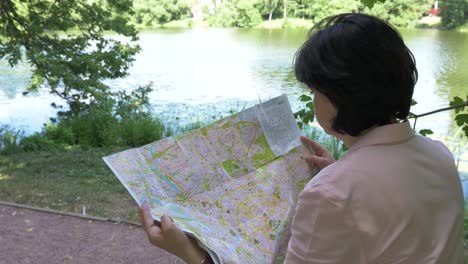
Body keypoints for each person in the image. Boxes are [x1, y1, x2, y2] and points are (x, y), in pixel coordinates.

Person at [139, 13, 464, 263]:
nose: (312, 101)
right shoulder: (438, 155)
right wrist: (340, 174)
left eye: (314, 92)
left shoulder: (330, 193)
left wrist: (193, 254)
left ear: (340, 96)